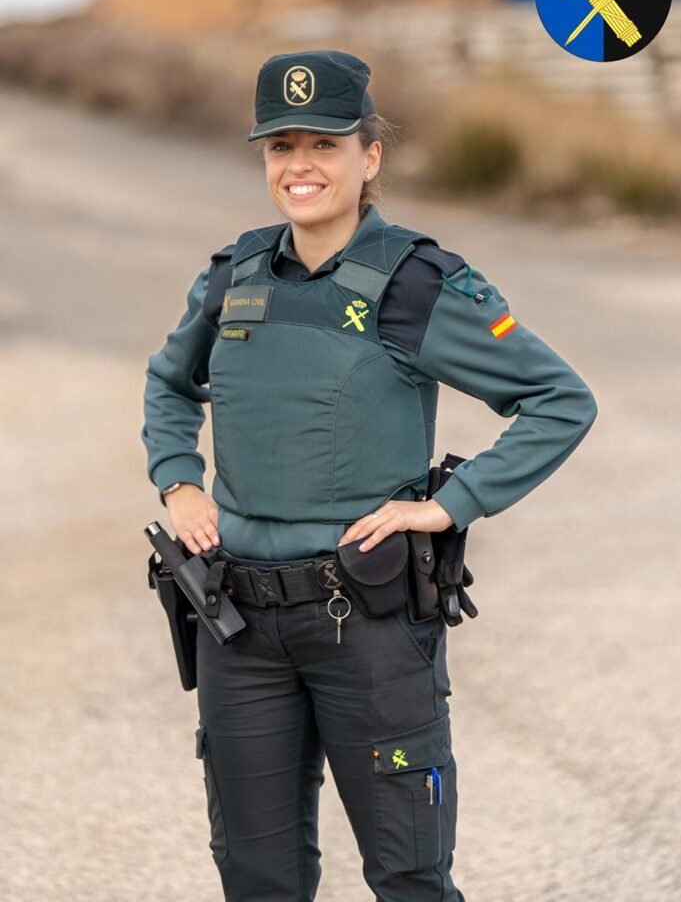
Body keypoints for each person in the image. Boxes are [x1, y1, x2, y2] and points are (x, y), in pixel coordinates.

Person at [141, 48, 598, 902]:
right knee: (256, 878)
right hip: (236, 624)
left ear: (370, 156)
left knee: (409, 877)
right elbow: (170, 383)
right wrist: (180, 480)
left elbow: (558, 400)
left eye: (325, 144)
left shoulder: (418, 284)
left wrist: (452, 505)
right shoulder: (231, 277)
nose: (301, 167)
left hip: (370, 625)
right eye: (281, 147)